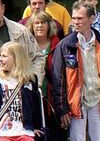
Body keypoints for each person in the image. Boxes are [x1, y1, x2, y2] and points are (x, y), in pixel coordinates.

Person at [51, 1, 100, 141]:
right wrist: (62, 109)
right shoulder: (65, 45)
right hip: (76, 102)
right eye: (74, 18)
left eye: (80, 18)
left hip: (98, 100)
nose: (75, 22)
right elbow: (58, 79)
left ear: (91, 18)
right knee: (77, 139)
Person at [0, 42, 43, 141]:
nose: (0, 59)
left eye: (4, 56)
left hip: (24, 131)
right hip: (2, 132)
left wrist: (35, 126)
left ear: (16, 58)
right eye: (0, 56)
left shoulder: (30, 79)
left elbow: (35, 105)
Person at [25, 12, 66, 141]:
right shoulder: (26, 46)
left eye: (43, 23)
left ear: (49, 25)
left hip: (54, 96)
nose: (40, 26)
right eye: (36, 23)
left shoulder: (59, 45)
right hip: (32, 97)